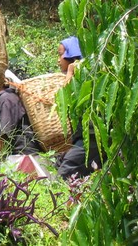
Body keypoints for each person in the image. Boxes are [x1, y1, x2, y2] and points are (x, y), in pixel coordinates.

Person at [56, 36, 102, 179]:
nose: (58, 60)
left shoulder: (85, 74)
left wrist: (70, 73)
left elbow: (65, 97)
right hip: (84, 136)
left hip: (91, 135)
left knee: (66, 168)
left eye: (60, 54)